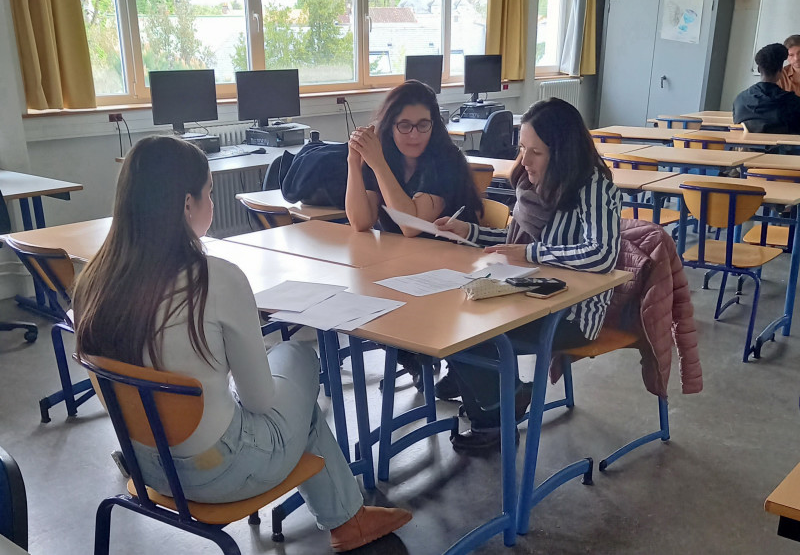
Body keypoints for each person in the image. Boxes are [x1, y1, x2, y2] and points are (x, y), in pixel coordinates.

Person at [72, 136, 411, 552]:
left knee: (284, 397)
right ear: (186, 205)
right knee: (297, 357)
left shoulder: (94, 281)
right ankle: (348, 519)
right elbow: (261, 401)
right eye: (210, 193)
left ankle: (349, 518)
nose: (212, 204)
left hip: (145, 466)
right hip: (221, 472)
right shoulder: (214, 277)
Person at [435, 98, 622, 453]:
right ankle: (501, 400)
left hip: (572, 312)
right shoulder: (534, 184)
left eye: (536, 151)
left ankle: (494, 412)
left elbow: (601, 254)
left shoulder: (593, 185)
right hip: (526, 293)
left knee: (470, 330)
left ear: (562, 152)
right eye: (522, 148)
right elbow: (515, 245)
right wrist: (469, 233)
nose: (525, 160)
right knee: (449, 316)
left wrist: (532, 254)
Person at [346, 79, 483, 398]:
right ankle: (419, 358)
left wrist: (377, 163)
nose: (414, 135)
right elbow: (360, 220)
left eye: (423, 125)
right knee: (361, 303)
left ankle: (434, 358)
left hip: (453, 269)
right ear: (390, 126)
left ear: (434, 125)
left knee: (384, 305)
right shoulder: (384, 159)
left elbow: (410, 224)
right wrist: (354, 163)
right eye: (404, 126)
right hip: (404, 266)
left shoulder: (444, 160)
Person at [733, 43, 800, 134]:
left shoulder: (741, 99)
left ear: (759, 70)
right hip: (783, 148)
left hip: (748, 147)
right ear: (780, 71)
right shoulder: (792, 102)